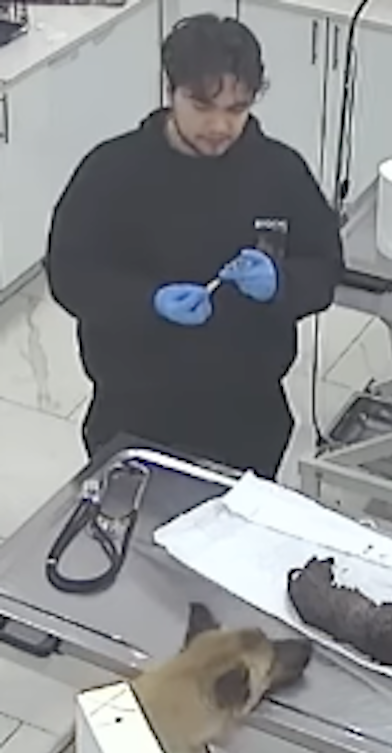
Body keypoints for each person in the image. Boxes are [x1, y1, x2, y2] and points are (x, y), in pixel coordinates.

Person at [46, 14, 344, 480]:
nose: (220, 125)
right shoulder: (112, 172)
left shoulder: (280, 173)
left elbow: (325, 268)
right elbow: (70, 274)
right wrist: (148, 302)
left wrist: (281, 283)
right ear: (171, 92)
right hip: (134, 414)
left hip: (248, 417)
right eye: (203, 106)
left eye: (236, 108)